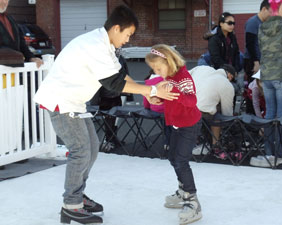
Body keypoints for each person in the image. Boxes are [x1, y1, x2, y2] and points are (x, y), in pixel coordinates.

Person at [34, 6, 178, 224]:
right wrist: (152, 90)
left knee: (91, 149)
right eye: (128, 35)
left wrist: (150, 91)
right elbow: (113, 84)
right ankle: (71, 204)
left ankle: (78, 194)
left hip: (75, 103)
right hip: (60, 102)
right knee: (81, 151)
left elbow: (121, 77)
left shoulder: (105, 46)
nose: (128, 40)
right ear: (117, 28)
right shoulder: (94, 46)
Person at [145, 44, 202, 225]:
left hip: (189, 125)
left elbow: (191, 100)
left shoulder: (183, 77)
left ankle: (192, 201)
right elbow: (170, 98)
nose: (157, 72)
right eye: (154, 69)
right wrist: (158, 98)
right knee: (172, 157)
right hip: (175, 123)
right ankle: (182, 190)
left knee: (180, 160)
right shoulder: (169, 77)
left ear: (168, 61)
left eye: (158, 68)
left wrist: (174, 90)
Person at [250, 0, 282, 168]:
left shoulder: (262, 26)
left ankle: (269, 152)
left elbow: (261, 47)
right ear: (280, 8)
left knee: (269, 114)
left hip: (266, 76)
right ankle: (281, 153)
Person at [189, 64, 236, 158]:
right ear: (230, 76)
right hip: (200, 113)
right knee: (217, 116)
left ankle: (196, 141)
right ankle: (215, 145)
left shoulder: (202, 68)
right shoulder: (226, 84)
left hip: (184, 108)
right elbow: (227, 114)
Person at [243, 0, 271, 113]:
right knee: (253, 88)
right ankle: (251, 115)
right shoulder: (253, 22)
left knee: (261, 89)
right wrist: (256, 62)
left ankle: (260, 114)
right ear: (264, 9)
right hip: (252, 61)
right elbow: (250, 43)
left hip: (261, 60)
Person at [0, 0, 42, 67]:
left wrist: (31, 57)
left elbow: (22, 43)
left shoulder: (11, 19)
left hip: (13, 71)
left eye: (7, 0)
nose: (4, 2)